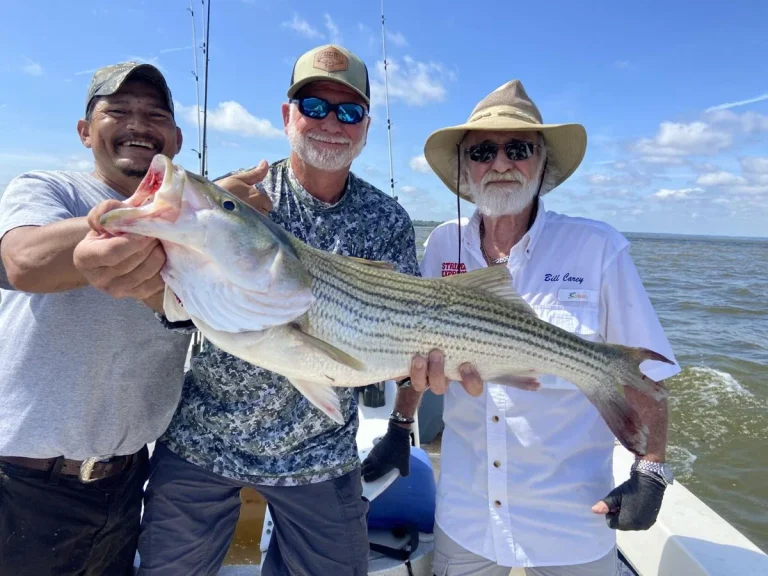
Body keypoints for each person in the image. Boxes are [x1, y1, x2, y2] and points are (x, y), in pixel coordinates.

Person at [77, 43, 431, 576]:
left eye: (349, 111)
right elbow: (168, 295)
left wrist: (402, 425)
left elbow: (414, 333)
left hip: (322, 451)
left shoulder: (389, 221)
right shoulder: (238, 195)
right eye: (313, 107)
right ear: (287, 116)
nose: (331, 122)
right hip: (202, 438)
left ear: (364, 127)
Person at [363, 80, 682, 576]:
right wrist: (401, 424)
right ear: (465, 170)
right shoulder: (442, 247)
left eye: (518, 148)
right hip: (466, 517)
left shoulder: (597, 249)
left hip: (570, 521)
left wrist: (652, 468)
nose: (501, 163)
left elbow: (646, 375)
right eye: (484, 151)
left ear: (542, 163)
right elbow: (419, 345)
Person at [0, 62, 193, 576]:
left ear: (175, 137)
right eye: (118, 111)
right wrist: (125, 219)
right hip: (24, 484)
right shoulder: (46, 188)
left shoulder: (191, 219)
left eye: (155, 114)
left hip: (128, 482)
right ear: (85, 131)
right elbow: (24, 261)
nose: (139, 124)